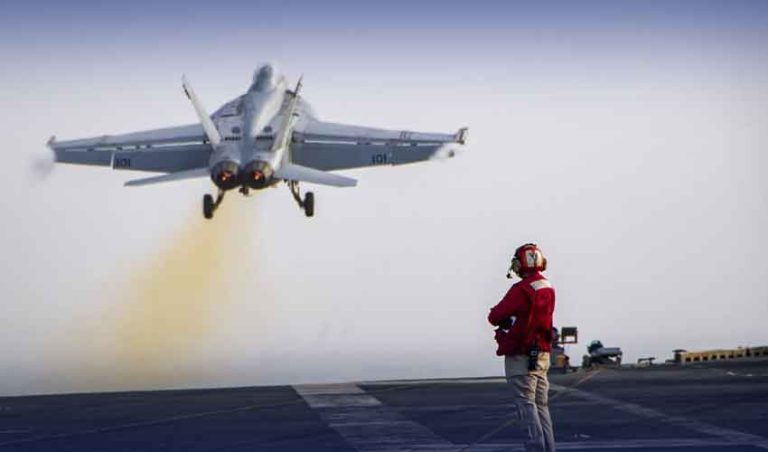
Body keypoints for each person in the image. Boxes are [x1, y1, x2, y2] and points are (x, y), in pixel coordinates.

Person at [488, 243, 556, 452]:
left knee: (525, 405)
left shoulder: (521, 290)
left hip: (521, 355)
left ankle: (535, 448)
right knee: (541, 406)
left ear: (521, 264)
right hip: (542, 354)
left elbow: (495, 316)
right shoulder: (547, 286)